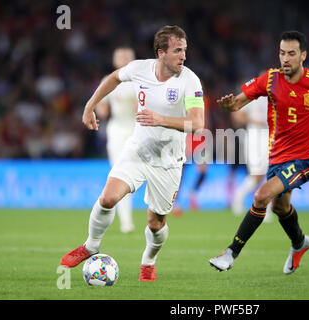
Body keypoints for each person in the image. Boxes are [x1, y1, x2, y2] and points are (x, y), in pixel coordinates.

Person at [209, 31, 309, 274]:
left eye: (291, 53)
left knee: (261, 196)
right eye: (282, 53)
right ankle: (300, 243)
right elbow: (238, 103)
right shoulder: (270, 79)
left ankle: (230, 252)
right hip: (277, 156)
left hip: (306, 158)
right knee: (280, 208)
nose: (285, 59)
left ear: (303, 55)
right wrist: (231, 105)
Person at [60, 25, 205, 282]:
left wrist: (160, 119)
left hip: (169, 159)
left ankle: (149, 260)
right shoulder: (140, 69)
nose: (183, 56)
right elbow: (115, 77)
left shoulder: (190, 80)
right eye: (177, 50)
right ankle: (92, 245)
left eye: (185, 50)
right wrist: (90, 105)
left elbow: (197, 123)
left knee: (155, 223)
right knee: (107, 198)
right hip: (138, 149)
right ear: (161, 53)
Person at [96, 47, 137, 234]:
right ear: (114, 61)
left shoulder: (138, 81)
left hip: (137, 130)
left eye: (128, 57)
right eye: (121, 57)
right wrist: (98, 104)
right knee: (118, 173)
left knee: (139, 174)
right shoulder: (108, 81)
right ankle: (126, 222)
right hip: (117, 131)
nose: (125, 60)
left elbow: (140, 110)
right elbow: (103, 110)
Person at [230, 91, 273, 223]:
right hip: (254, 137)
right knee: (257, 174)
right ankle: (241, 199)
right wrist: (253, 121)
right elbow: (236, 114)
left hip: (270, 137)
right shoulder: (253, 96)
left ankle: (263, 207)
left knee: (268, 173)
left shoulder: (277, 97)